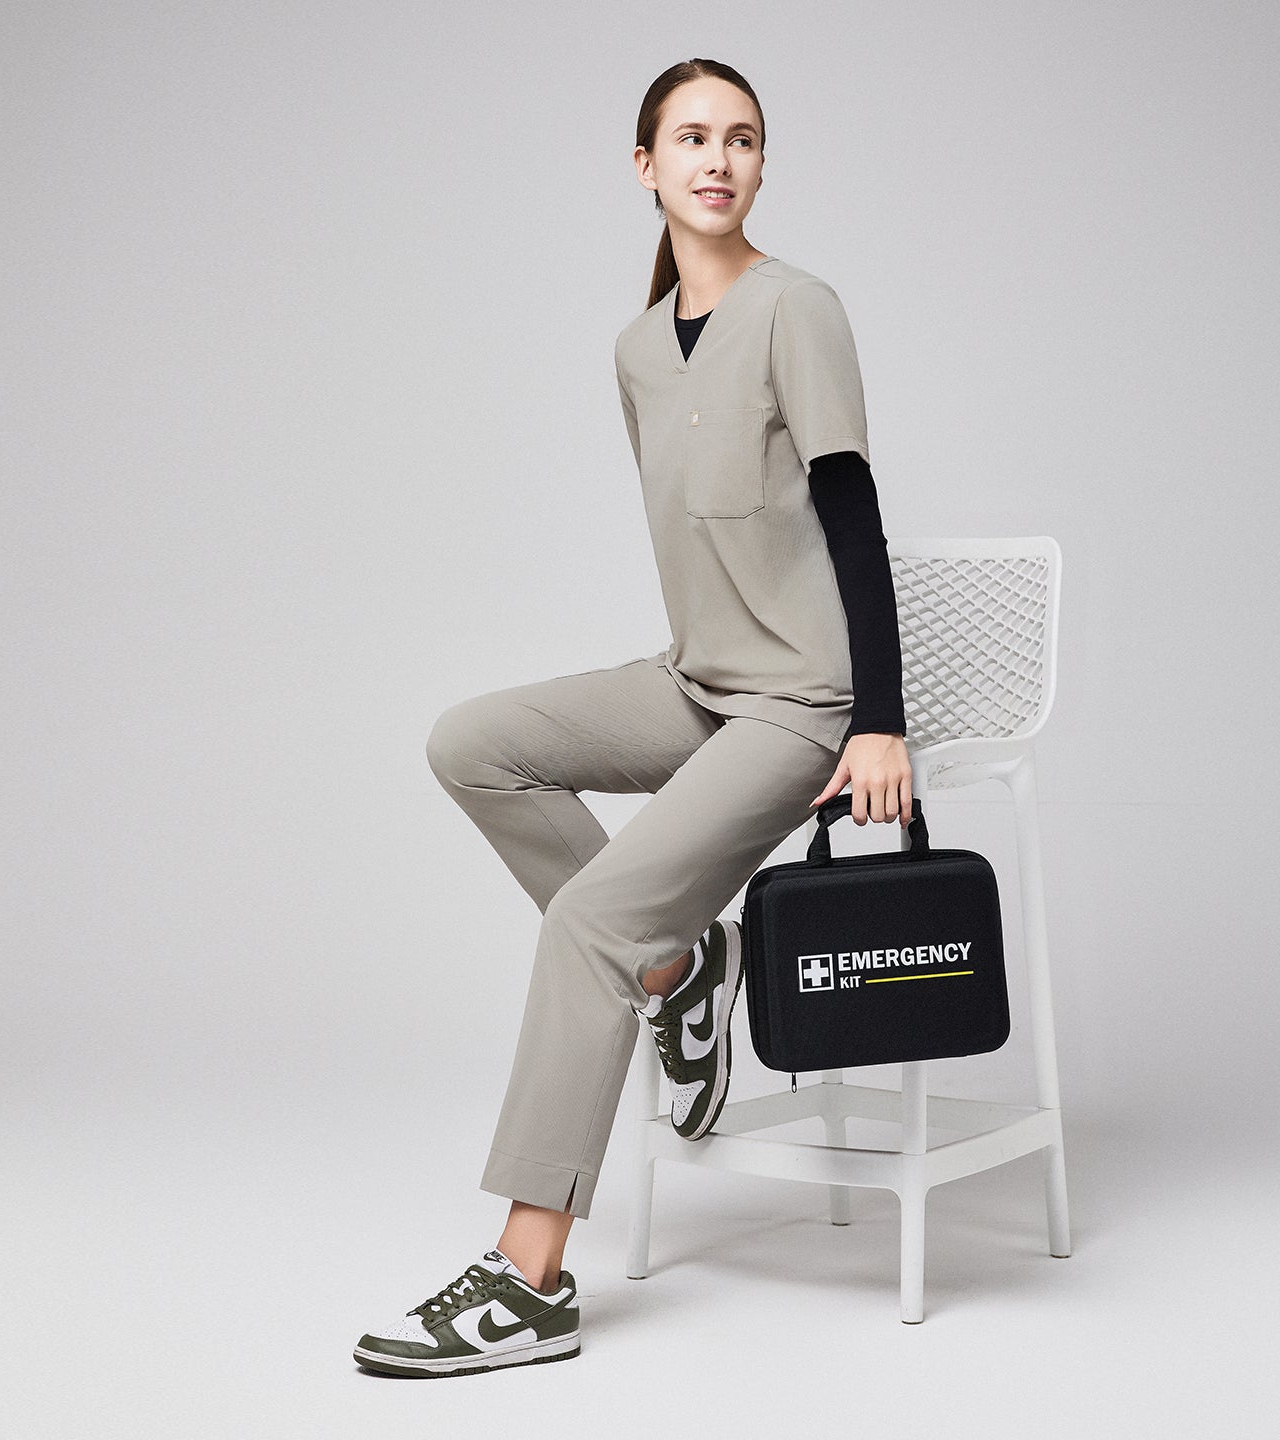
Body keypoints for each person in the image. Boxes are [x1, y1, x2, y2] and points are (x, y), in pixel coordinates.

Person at [353, 57, 912, 1378]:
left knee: (593, 924)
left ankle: (529, 1278)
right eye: (692, 139)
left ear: (761, 168)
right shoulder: (634, 348)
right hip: (699, 677)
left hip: (804, 700)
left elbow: (851, 516)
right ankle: (683, 969)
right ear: (646, 166)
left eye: (743, 140)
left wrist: (876, 719)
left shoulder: (801, 309)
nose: (719, 160)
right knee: (471, 744)